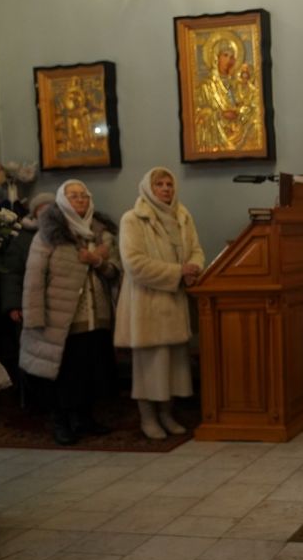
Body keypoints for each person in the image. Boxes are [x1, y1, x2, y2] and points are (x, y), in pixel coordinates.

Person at [19, 179, 121, 445]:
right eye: (73, 196)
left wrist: (97, 260)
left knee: (90, 370)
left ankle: (84, 417)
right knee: (64, 372)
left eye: (84, 195)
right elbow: (34, 279)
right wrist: (34, 317)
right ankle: (61, 421)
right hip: (62, 317)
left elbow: (115, 271)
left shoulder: (101, 233)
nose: (80, 200)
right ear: (63, 201)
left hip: (96, 316)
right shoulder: (48, 234)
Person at [115, 167, 204, 440]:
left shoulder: (182, 215)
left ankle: (167, 414)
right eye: (159, 185)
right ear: (148, 188)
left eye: (169, 184)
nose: (166, 189)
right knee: (149, 367)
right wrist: (178, 272)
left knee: (174, 367)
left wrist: (193, 269)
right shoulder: (133, 219)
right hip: (147, 305)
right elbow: (134, 264)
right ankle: (148, 417)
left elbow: (196, 251)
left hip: (175, 303)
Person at [0, 191, 55, 407]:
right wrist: (13, 306)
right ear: (35, 213)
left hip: (57, 307)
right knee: (32, 354)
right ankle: (32, 398)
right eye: (42, 210)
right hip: (29, 308)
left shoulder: (62, 236)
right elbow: (12, 274)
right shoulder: (22, 240)